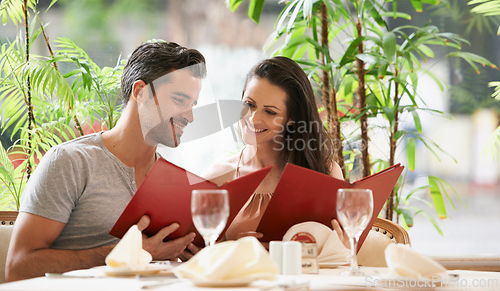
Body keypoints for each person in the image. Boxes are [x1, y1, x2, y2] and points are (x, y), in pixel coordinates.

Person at [6, 41, 207, 281]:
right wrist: (128, 253)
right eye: (179, 100)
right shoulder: (71, 162)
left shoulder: (175, 181)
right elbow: (18, 267)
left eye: (192, 104)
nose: (190, 116)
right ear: (140, 92)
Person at [204, 56, 345, 241]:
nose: (253, 118)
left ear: (292, 119)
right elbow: (198, 256)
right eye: (249, 104)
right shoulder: (218, 177)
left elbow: (340, 253)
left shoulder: (325, 171)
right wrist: (230, 247)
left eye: (270, 112)